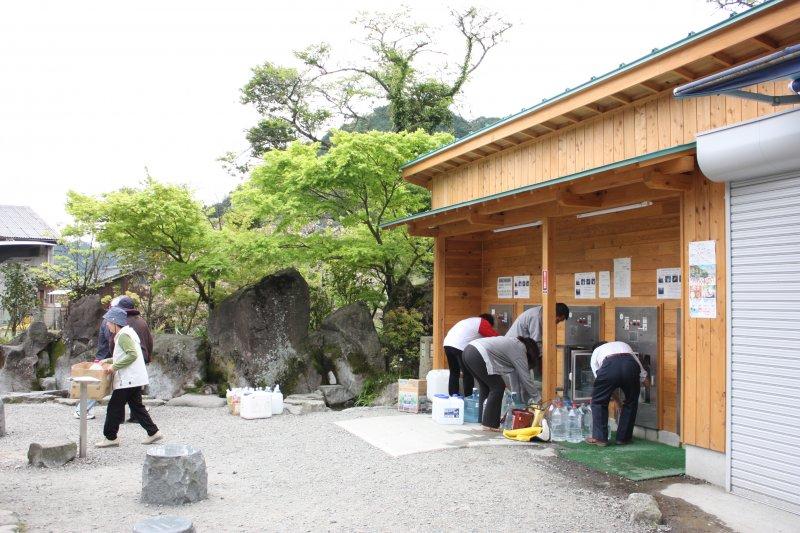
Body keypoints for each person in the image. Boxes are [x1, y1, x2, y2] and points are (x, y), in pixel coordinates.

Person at [95, 307, 163, 448]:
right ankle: (153, 432)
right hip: (134, 378)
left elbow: (132, 355)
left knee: (114, 408)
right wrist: (108, 361)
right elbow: (123, 356)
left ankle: (111, 437)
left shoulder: (123, 335)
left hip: (128, 379)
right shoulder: (127, 333)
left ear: (114, 322)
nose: (107, 325)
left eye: (108, 322)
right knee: (137, 407)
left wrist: (113, 367)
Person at [462, 335, 540, 431]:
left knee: (486, 386)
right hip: (478, 353)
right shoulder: (520, 349)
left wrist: (515, 394)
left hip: (468, 351)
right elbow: (526, 378)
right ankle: (489, 424)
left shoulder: (513, 344)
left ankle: (482, 420)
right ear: (531, 353)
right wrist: (537, 398)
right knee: (497, 387)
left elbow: (514, 376)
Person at [585, 341, 648, 447]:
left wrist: (617, 401)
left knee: (598, 402)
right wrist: (646, 383)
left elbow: (603, 384)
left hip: (609, 367)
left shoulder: (596, 351)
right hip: (630, 366)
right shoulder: (623, 344)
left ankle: (601, 439)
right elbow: (639, 366)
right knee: (631, 402)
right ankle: (623, 438)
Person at [73, 295, 121, 420]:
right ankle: (80, 410)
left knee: (107, 386)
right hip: (105, 358)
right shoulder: (110, 321)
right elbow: (111, 341)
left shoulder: (109, 319)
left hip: (104, 357)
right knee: (97, 387)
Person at [442, 314, 499, 397]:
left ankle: (453, 395)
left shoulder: (470, 321)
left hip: (447, 344)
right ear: (488, 321)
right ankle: (468, 397)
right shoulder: (483, 322)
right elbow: (495, 338)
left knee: (454, 371)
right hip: (460, 346)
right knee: (468, 373)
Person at [116, 296, 153, 423]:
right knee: (136, 390)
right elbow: (150, 340)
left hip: (130, 357)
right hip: (143, 356)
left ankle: (118, 416)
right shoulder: (141, 321)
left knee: (122, 387)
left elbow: (118, 343)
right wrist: (148, 355)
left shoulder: (123, 323)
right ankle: (136, 416)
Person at [505, 302, 570, 346]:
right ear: (553, 313)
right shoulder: (536, 316)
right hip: (512, 345)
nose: (556, 323)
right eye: (558, 320)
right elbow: (536, 342)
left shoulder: (543, 313)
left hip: (519, 344)